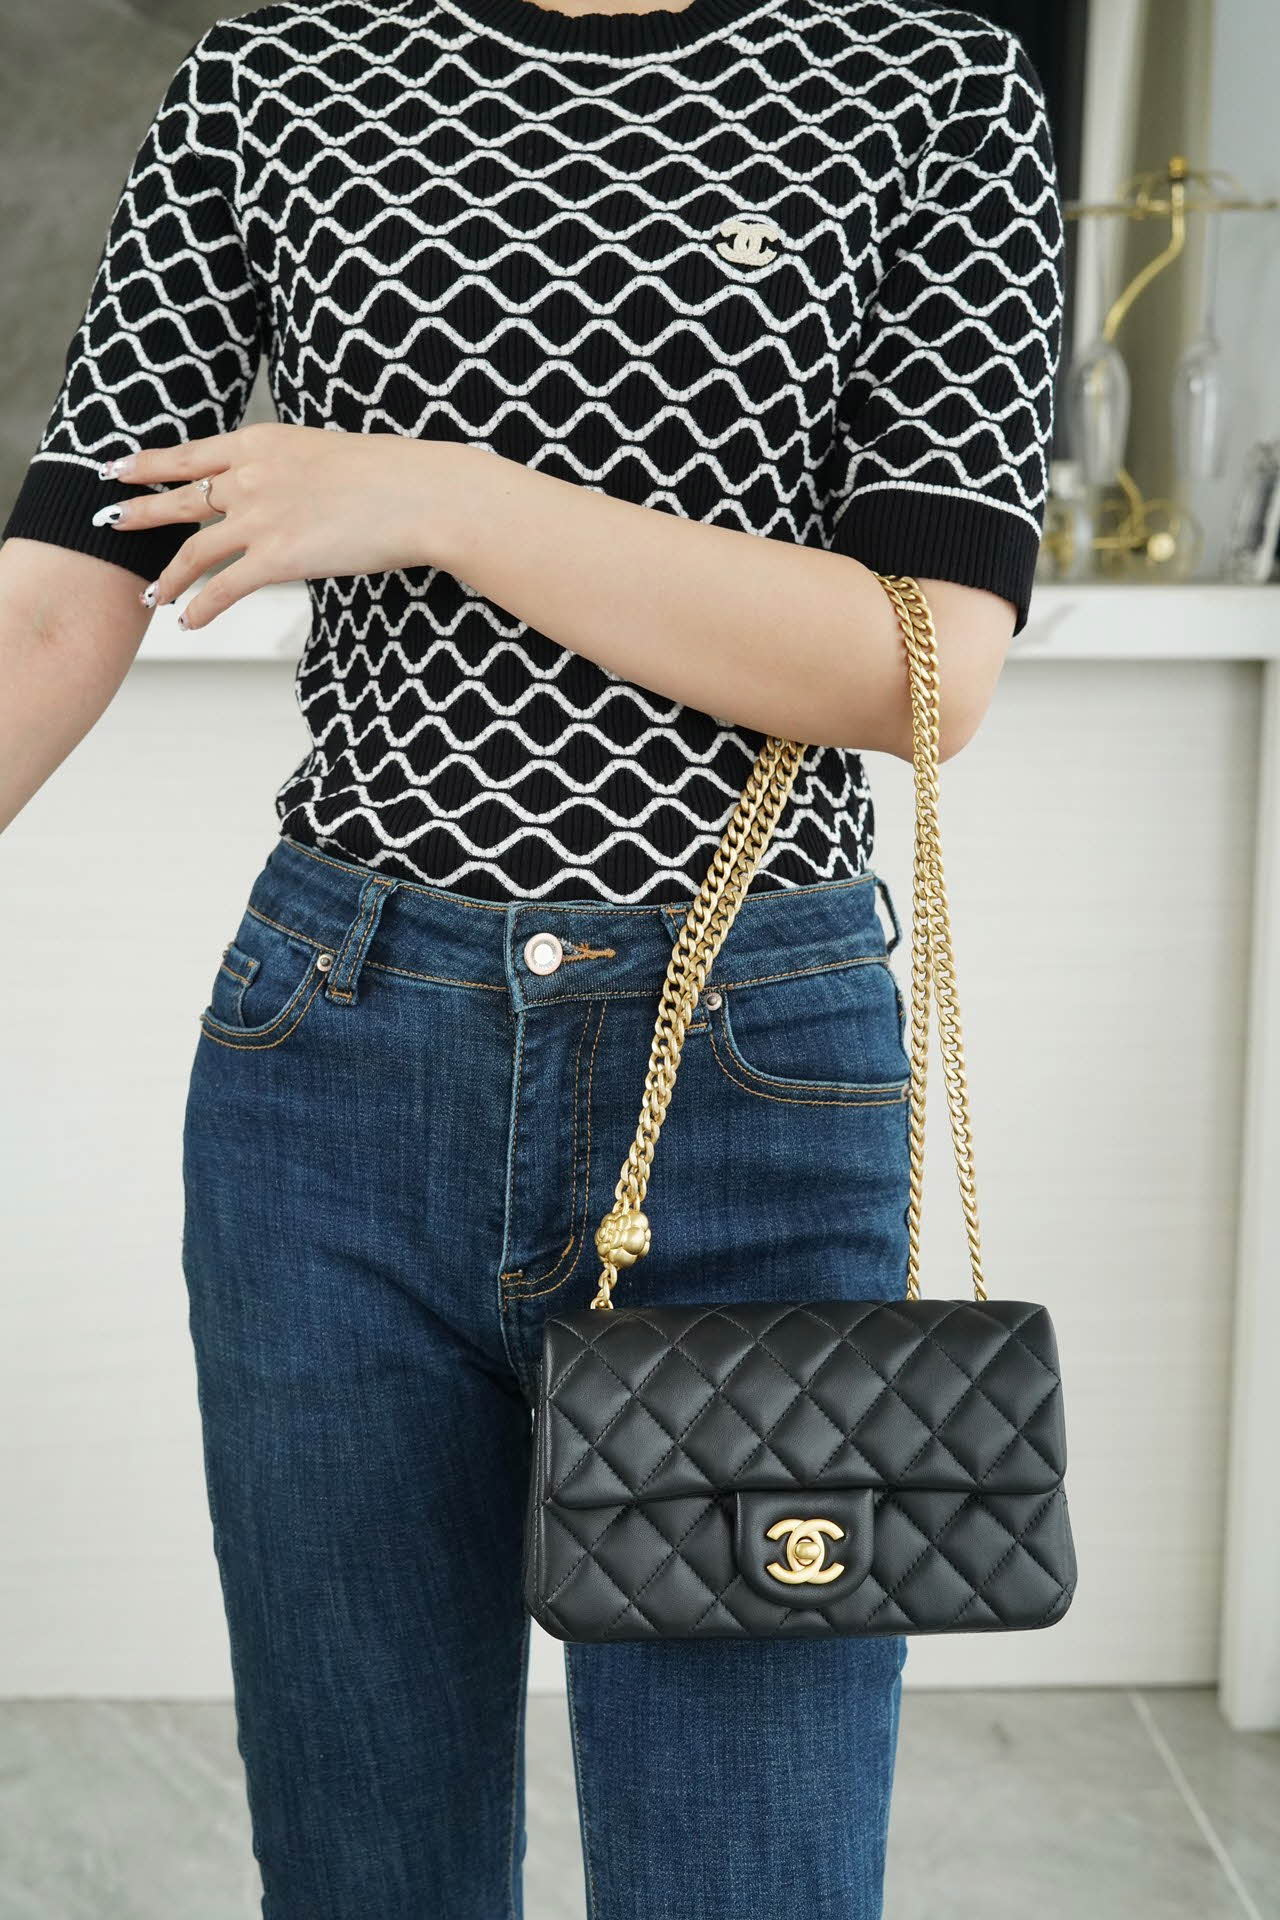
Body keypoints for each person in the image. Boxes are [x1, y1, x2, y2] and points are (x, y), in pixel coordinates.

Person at [0, 0, 1064, 1913]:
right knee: (366, 1870)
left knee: (750, 1879)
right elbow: (51, 609)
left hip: (751, 1077)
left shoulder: (931, 81)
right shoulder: (276, 75)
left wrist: (445, 495)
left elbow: (921, 664)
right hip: (339, 1057)